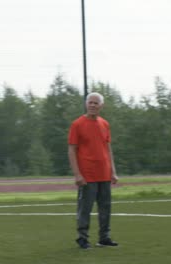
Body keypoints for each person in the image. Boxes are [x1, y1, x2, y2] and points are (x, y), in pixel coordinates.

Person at [68, 92, 119, 249]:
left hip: (104, 173)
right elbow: (71, 150)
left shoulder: (105, 124)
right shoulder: (77, 124)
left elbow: (108, 148)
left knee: (105, 207)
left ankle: (104, 238)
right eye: (90, 102)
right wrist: (77, 174)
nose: (92, 105)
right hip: (87, 175)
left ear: (101, 106)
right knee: (85, 208)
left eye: (96, 103)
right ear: (86, 104)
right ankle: (82, 238)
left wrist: (113, 171)